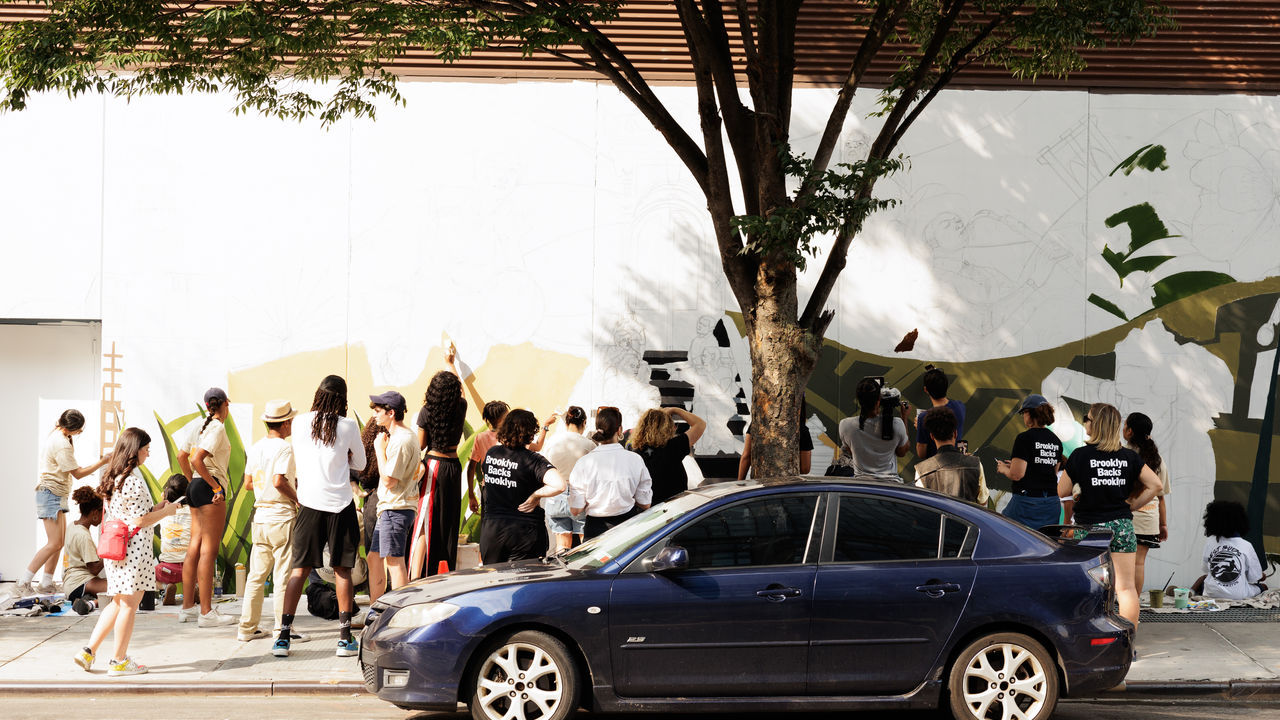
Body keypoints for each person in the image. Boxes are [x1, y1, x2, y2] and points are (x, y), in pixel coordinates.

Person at [73, 427, 179, 676]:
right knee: (129, 605)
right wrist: (167, 511)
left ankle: (88, 651)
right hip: (134, 552)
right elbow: (141, 521)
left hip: (117, 550)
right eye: (146, 449)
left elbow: (132, 514)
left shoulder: (115, 477)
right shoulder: (132, 479)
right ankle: (118, 661)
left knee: (117, 603)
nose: (148, 453)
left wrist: (157, 507)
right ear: (135, 451)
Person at [274, 375, 366, 658]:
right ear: (342, 398)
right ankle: (344, 637)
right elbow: (360, 463)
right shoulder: (348, 425)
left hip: (309, 505)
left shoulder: (300, 423)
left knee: (299, 570)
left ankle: (283, 637)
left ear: (318, 394)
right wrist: (343, 458)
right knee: (342, 570)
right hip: (340, 505)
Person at [1059, 403, 1162, 626]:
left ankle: (1088, 636)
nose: (1084, 422)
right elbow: (1156, 485)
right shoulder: (1128, 457)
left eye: (1087, 418)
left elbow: (1061, 491)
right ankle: (1128, 644)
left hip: (1088, 529)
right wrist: (1132, 505)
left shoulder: (1080, 456)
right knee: (1125, 588)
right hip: (1120, 526)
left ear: (1096, 424)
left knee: (1087, 585)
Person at [17, 409, 112, 596]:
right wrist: (103, 461)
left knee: (58, 543)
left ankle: (45, 583)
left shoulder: (60, 433)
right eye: (80, 430)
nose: (79, 434)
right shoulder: (61, 443)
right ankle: (23, 582)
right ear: (73, 427)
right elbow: (77, 473)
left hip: (56, 494)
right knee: (53, 543)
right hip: (50, 493)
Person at [237, 400, 302, 643]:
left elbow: (248, 483)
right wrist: (298, 498)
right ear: (285, 423)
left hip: (261, 517)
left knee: (257, 575)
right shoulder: (285, 449)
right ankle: (281, 628)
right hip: (281, 517)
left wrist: (268, 488)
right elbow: (278, 481)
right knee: (282, 575)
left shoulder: (255, 448)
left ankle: (247, 628)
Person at [179, 388, 237, 628]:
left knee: (194, 546)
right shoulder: (217, 427)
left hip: (195, 485)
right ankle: (205, 612)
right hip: (209, 486)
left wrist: (193, 480)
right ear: (225, 404)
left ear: (206, 405)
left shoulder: (198, 426)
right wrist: (215, 487)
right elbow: (196, 458)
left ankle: (188, 609)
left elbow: (184, 457)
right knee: (208, 550)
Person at [478, 409, 566, 564]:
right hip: (524, 533)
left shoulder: (492, 454)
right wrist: (536, 495)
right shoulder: (533, 460)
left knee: (493, 583)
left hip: (492, 531)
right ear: (531, 434)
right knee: (522, 584)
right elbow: (559, 485)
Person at [410, 370, 467, 579]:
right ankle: (444, 574)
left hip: (434, 466)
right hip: (454, 466)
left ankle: (415, 576)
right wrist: (451, 364)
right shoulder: (462, 406)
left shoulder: (426, 410)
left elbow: (421, 445)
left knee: (425, 521)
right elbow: (458, 388)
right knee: (448, 522)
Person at [367, 391, 420, 601]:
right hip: (392, 507)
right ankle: (376, 608)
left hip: (396, 508)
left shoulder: (400, 440)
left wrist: (380, 450)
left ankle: (399, 610)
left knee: (394, 562)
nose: (375, 416)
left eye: (379, 411)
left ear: (391, 413)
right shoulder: (405, 437)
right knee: (374, 558)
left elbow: (389, 480)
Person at [570, 407, 652, 539]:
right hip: (627, 527)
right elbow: (645, 503)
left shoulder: (583, 463)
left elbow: (576, 509)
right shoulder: (635, 460)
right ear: (619, 430)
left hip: (595, 529)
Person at [996, 394, 1065, 530]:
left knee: (1005, 531)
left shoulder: (1024, 438)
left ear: (1029, 413)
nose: (1023, 417)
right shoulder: (1056, 440)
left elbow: (1017, 475)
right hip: (1051, 503)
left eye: (1023, 413)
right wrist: (1016, 465)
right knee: (1047, 545)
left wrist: (1004, 468)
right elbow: (1050, 471)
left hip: (1027, 504)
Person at [1126, 411, 1171, 597]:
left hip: (1126, 516)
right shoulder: (1158, 459)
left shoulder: (1122, 455)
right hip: (1149, 519)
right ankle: (1133, 605)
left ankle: (1117, 604)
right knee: (1138, 563)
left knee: (1119, 563)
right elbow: (1160, 496)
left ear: (1129, 431)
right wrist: (1163, 524)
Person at [540, 406, 595, 550]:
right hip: (579, 496)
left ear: (566, 423)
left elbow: (544, 466)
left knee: (562, 546)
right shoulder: (589, 444)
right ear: (584, 422)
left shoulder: (552, 442)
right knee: (585, 546)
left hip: (555, 495)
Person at [835, 378, 912, 480]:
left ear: (859, 400)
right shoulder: (897, 424)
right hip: (891, 487)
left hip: (863, 486)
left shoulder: (846, 425)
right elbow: (902, 452)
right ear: (879, 400)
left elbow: (851, 452)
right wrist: (904, 417)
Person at [913, 407, 988, 504]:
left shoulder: (921, 471)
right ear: (955, 433)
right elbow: (983, 502)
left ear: (931, 436)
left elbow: (923, 506)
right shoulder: (976, 464)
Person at [1193, 501, 1266, 600]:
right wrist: (1262, 576)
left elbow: (1206, 568)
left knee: (1204, 578)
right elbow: (1254, 577)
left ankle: (1190, 592)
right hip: (1238, 596)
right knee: (1263, 587)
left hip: (1210, 595)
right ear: (1241, 522)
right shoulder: (1246, 545)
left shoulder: (1210, 542)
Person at [632, 406, 705, 504]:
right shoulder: (673, 447)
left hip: (649, 513)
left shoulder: (636, 452)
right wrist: (675, 410)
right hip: (675, 510)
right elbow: (700, 424)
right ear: (667, 427)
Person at [736, 401, 813, 480]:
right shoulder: (801, 429)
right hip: (786, 484)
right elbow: (805, 469)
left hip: (760, 484)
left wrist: (739, 483)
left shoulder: (758, 422)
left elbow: (746, 456)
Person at [64, 486, 108, 615]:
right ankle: (90, 604)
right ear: (94, 513)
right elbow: (93, 569)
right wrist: (108, 553)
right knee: (121, 589)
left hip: (71, 583)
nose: (102, 519)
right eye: (102, 514)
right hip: (80, 582)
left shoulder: (73, 525)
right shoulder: (83, 536)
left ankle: (86, 599)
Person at [467, 400, 510, 513]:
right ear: (501, 419)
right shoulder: (510, 437)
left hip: (489, 489)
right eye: (507, 415)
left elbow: (471, 468)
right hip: (508, 487)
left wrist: (471, 495)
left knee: (491, 526)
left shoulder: (480, 438)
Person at [916, 366, 966, 459]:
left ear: (926, 390)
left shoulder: (924, 418)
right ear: (946, 385)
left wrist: (921, 427)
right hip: (957, 462)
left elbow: (921, 454)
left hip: (936, 467)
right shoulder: (960, 406)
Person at [156, 475, 191, 606]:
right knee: (204, 568)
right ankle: (194, 587)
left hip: (167, 570)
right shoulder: (194, 511)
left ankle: (165, 587)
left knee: (149, 573)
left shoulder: (162, 513)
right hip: (192, 569)